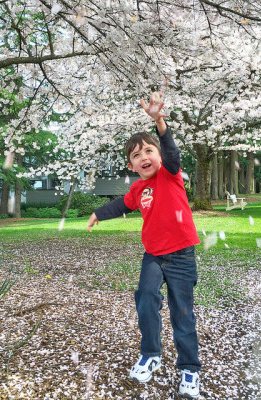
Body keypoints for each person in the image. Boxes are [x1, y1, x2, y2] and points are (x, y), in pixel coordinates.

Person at [87, 94, 201, 398]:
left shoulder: (170, 174)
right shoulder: (138, 189)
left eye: (149, 150)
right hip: (153, 257)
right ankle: (151, 353)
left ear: (159, 156)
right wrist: (98, 213)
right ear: (132, 165)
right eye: (137, 155)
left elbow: (172, 152)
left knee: (183, 312)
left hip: (181, 256)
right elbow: (120, 206)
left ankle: (189, 368)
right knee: (146, 299)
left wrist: (159, 122)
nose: (144, 156)